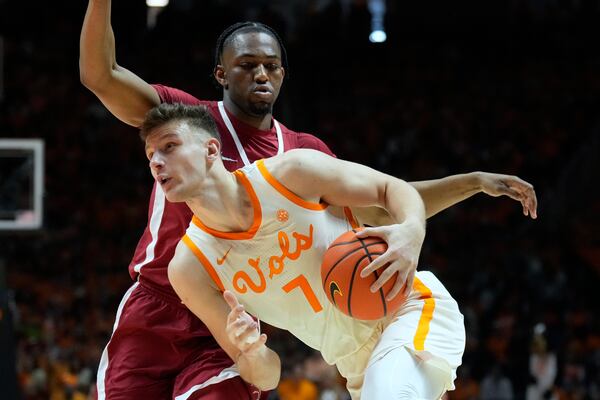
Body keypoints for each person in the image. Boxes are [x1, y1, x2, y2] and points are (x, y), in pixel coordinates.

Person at [79, 1, 538, 398]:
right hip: (163, 298)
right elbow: (102, 75)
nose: (260, 73)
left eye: (271, 65)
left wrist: (470, 184)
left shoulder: (299, 157)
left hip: (239, 319)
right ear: (220, 73)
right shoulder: (187, 125)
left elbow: (386, 200)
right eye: (246, 65)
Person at [142, 102, 464, 399]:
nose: (156, 162)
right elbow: (267, 376)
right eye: (151, 154)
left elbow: (389, 188)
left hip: (411, 308)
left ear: (211, 149)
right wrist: (251, 351)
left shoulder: (290, 173)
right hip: (356, 367)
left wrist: (412, 230)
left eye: (169, 147)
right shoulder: (189, 269)